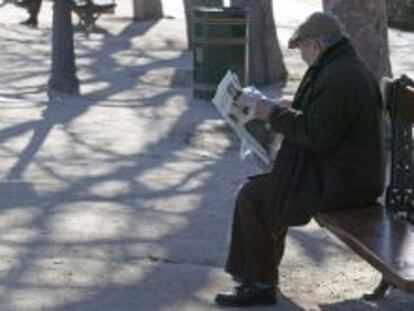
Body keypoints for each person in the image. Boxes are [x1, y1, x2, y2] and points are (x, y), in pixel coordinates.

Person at [214, 12, 385, 307]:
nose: (302, 56)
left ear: (317, 44)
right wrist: (282, 109)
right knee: (269, 188)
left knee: (254, 196)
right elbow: (320, 121)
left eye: (303, 48)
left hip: (346, 182)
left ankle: (259, 284)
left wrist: (273, 114)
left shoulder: (341, 77)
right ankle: (260, 279)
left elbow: (316, 134)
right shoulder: (338, 67)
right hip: (341, 171)